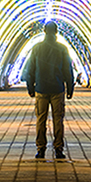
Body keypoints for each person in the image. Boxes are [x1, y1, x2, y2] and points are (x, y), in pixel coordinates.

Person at [24, 21, 74, 159]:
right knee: (58, 119)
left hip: (41, 88)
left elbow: (31, 69)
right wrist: (70, 87)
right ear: (56, 32)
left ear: (44, 31)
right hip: (57, 88)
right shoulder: (62, 48)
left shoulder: (37, 48)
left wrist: (30, 87)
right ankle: (58, 149)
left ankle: (40, 149)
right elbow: (67, 69)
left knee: (41, 119)